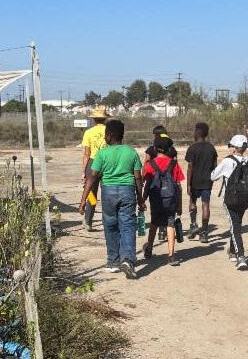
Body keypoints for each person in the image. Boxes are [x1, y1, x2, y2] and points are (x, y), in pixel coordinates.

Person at [80, 119, 145, 279]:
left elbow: (92, 177)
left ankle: (113, 262)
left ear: (108, 136)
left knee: (110, 225)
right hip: (127, 191)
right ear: (122, 135)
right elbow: (138, 178)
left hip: (108, 192)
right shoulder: (131, 152)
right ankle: (128, 260)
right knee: (128, 226)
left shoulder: (102, 154)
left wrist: (83, 201)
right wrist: (141, 199)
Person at [211, 134, 248, 270]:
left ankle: (240, 256)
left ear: (234, 148)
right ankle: (232, 251)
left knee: (235, 226)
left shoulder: (227, 161)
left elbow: (213, 176)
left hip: (230, 199)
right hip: (245, 200)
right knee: (236, 223)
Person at [142, 134, 185, 266]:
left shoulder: (150, 164)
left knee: (154, 223)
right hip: (170, 199)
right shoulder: (174, 164)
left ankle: (149, 248)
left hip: (156, 198)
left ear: (155, 148)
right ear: (168, 149)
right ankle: (171, 255)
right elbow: (178, 186)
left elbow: (147, 182)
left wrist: (142, 199)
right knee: (170, 223)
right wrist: (179, 205)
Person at [185, 122, 218, 242]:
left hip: (195, 181)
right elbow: (215, 166)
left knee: (192, 201)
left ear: (197, 133)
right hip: (207, 182)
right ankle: (204, 232)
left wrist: (188, 184)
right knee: (205, 205)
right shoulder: (211, 148)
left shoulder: (192, 148)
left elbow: (190, 167)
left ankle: (194, 224)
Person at [80, 106, 109, 231]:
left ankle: (88, 220)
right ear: (105, 119)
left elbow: (86, 153)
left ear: (94, 119)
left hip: (92, 163)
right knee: (107, 193)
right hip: (107, 163)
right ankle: (108, 221)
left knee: (91, 193)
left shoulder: (88, 132)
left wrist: (84, 171)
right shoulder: (110, 131)